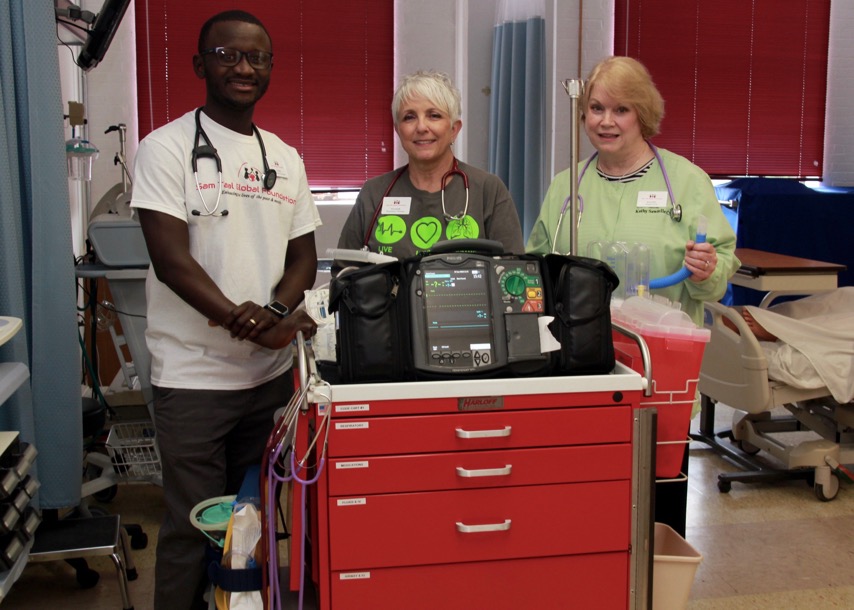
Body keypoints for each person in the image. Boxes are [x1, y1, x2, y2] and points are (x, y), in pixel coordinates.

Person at [130, 10, 320, 609]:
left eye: (256, 57)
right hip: (193, 379)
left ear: (269, 68)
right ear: (198, 64)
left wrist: (273, 312)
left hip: (267, 381)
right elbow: (172, 260)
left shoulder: (285, 157)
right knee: (193, 524)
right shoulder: (164, 150)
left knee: (250, 521)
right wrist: (250, 323)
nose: (243, 67)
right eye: (227, 55)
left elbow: (303, 259)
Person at [527, 56, 739, 327]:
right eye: (596, 108)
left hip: (661, 347)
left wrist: (705, 271)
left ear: (642, 113)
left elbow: (717, 276)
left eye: (621, 110)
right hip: (578, 344)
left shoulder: (687, 182)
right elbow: (536, 270)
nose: (606, 121)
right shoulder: (565, 186)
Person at [337, 69, 525, 258]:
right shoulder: (374, 193)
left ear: (454, 129)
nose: (421, 127)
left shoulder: (488, 190)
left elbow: (515, 273)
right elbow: (344, 272)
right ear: (398, 130)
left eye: (434, 115)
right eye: (409, 117)